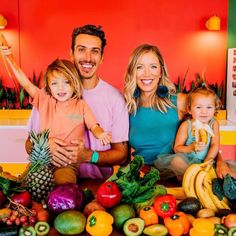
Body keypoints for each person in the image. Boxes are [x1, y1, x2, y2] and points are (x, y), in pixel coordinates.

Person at [26, 25, 129, 179]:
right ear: (72, 54)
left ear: (101, 58)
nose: (88, 57)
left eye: (95, 51)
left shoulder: (115, 99)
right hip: (50, 182)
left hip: (97, 187)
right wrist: (45, 145)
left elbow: (121, 155)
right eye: (81, 49)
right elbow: (29, 144)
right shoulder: (47, 95)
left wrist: (89, 156)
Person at [124, 44, 187, 167]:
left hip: (176, 176)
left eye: (153, 67)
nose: (147, 74)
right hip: (142, 177)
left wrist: (221, 162)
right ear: (132, 72)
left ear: (160, 71)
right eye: (139, 67)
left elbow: (208, 132)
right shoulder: (128, 107)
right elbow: (123, 155)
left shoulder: (179, 102)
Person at [154, 84, 221, 177]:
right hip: (188, 161)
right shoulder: (186, 125)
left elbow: (215, 145)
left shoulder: (214, 124)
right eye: (198, 107)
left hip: (207, 159)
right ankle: (190, 179)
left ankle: (200, 178)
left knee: (222, 171)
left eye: (209, 107)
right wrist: (191, 148)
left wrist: (207, 162)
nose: (204, 111)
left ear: (215, 109)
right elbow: (177, 148)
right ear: (189, 109)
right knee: (176, 161)